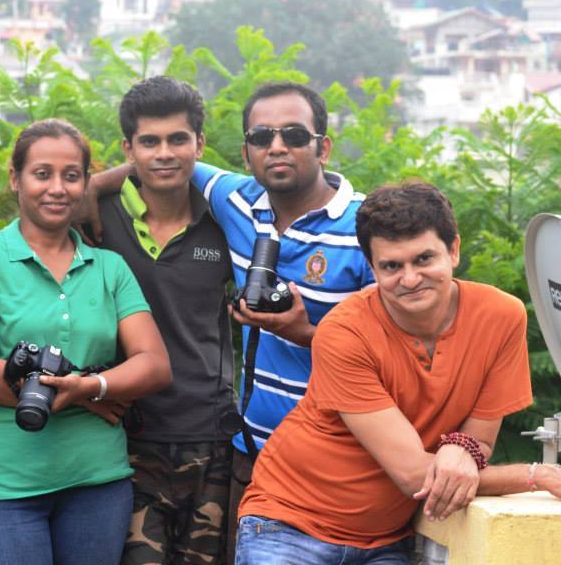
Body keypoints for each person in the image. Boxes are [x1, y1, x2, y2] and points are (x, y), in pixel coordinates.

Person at [86, 81, 375, 557]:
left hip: (342, 461)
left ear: (323, 145)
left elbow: (400, 351)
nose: (277, 147)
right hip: (250, 453)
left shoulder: (365, 227)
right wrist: (86, 188)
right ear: (246, 153)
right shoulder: (238, 202)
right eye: (262, 137)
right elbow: (164, 160)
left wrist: (306, 333)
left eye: (294, 136)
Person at [236, 181, 552, 564]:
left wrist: (460, 448)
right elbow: (414, 476)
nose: (409, 279)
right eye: (391, 266)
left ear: (453, 250)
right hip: (289, 523)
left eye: (423, 259)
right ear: (372, 268)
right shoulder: (344, 332)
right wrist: (538, 476)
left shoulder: (501, 317)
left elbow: (478, 444)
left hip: (385, 539)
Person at [0, 118, 172, 565]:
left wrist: (89, 387)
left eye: (71, 176)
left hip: (96, 483)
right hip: (1, 486)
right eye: (42, 173)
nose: (57, 188)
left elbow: (154, 364)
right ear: (16, 178)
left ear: (86, 183)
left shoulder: (109, 267)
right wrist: (86, 396)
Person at [95, 76, 235, 564]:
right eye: (149, 142)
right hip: (124, 436)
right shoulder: (97, 217)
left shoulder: (226, 220)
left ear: (200, 142)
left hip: (212, 437)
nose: (164, 154)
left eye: (178, 139)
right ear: (127, 148)